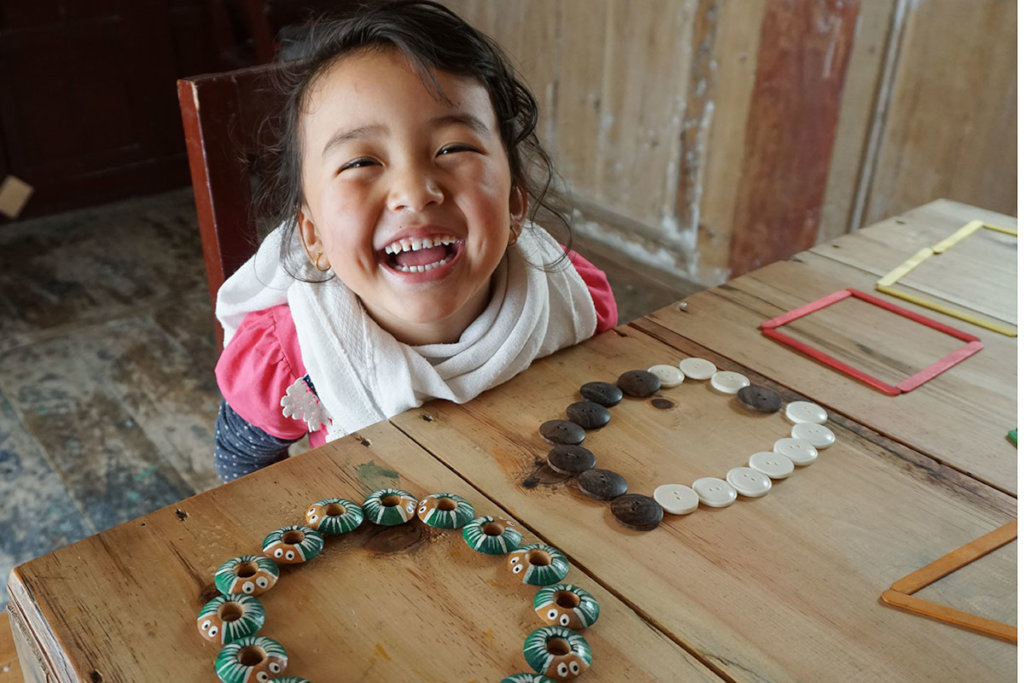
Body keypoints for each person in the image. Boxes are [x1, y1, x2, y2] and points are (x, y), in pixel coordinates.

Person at [213, 0, 617, 481]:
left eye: (454, 148)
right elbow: (241, 466)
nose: (414, 191)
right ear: (314, 235)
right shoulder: (289, 359)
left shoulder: (569, 295)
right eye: (361, 162)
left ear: (513, 206)